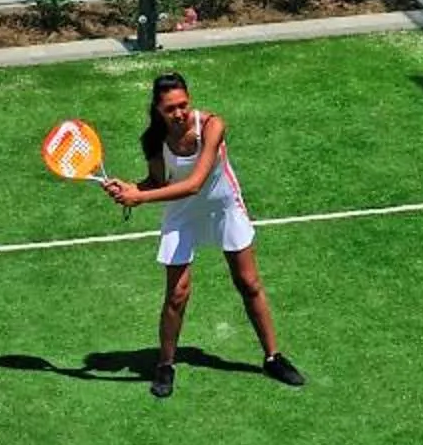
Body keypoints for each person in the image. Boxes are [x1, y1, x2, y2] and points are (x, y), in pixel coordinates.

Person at [100, 72, 307, 401]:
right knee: (177, 293)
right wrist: (130, 188)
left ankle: (272, 358)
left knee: (248, 283)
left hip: (224, 206)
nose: (179, 113)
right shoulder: (153, 141)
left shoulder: (212, 125)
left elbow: (196, 182)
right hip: (181, 213)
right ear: (157, 110)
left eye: (183, 105)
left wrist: (139, 198)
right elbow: (158, 182)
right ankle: (165, 365)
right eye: (170, 109)